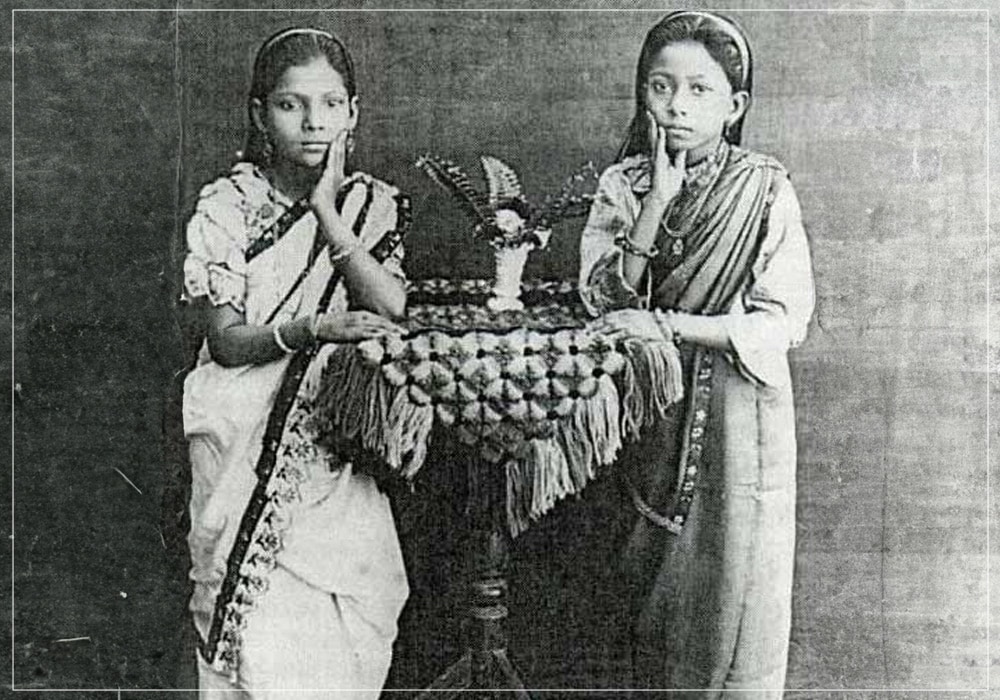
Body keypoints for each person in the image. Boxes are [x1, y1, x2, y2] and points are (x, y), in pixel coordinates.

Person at [579, 11, 815, 696]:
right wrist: (659, 200)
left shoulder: (764, 189)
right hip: (651, 409)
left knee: (733, 592)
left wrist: (672, 325)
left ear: (735, 105)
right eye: (660, 87)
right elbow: (602, 301)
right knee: (652, 599)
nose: (676, 106)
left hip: (743, 421)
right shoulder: (623, 184)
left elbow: (781, 321)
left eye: (699, 91)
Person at [180, 27, 410, 699]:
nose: (314, 122)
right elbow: (226, 339)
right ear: (260, 114)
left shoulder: (369, 204)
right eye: (291, 105)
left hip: (329, 447)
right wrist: (316, 329)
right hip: (239, 432)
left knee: (351, 610)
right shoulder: (228, 205)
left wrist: (327, 216)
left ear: (353, 114)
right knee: (257, 632)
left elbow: (394, 310)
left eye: (331, 104)